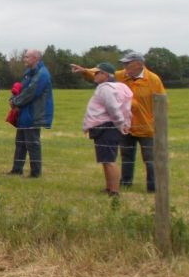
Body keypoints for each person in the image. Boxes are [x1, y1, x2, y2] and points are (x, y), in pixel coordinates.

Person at [71, 50, 166, 192]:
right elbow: (102, 74)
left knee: (149, 158)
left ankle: (153, 187)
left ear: (139, 64)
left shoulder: (153, 79)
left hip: (146, 126)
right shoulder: (121, 75)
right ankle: (125, 182)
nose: (125, 66)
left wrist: (156, 121)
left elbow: (162, 102)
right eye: (124, 63)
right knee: (126, 154)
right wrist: (85, 71)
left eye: (128, 63)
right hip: (125, 125)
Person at [81, 63, 133, 198]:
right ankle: (109, 187)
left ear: (105, 74)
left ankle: (114, 191)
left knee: (109, 160)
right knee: (105, 158)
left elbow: (113, 107)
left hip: (107, 126)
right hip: (108, 126)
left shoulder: (105, 88)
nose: (94, 75)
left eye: (97, 73)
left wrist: (120, 123)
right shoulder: (117, 86)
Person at [8, 48, 54, 177]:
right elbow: (22, 89)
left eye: (27, 57)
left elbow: (31, 92)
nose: (24, 59)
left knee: (32, 144)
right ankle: (16, 170)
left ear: (35, 58)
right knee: (20, 143)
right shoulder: (29, 73)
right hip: (25, 112)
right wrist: (14, 97)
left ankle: (35, 173)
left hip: (34, 114)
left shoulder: (42, 74)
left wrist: (15, 102)